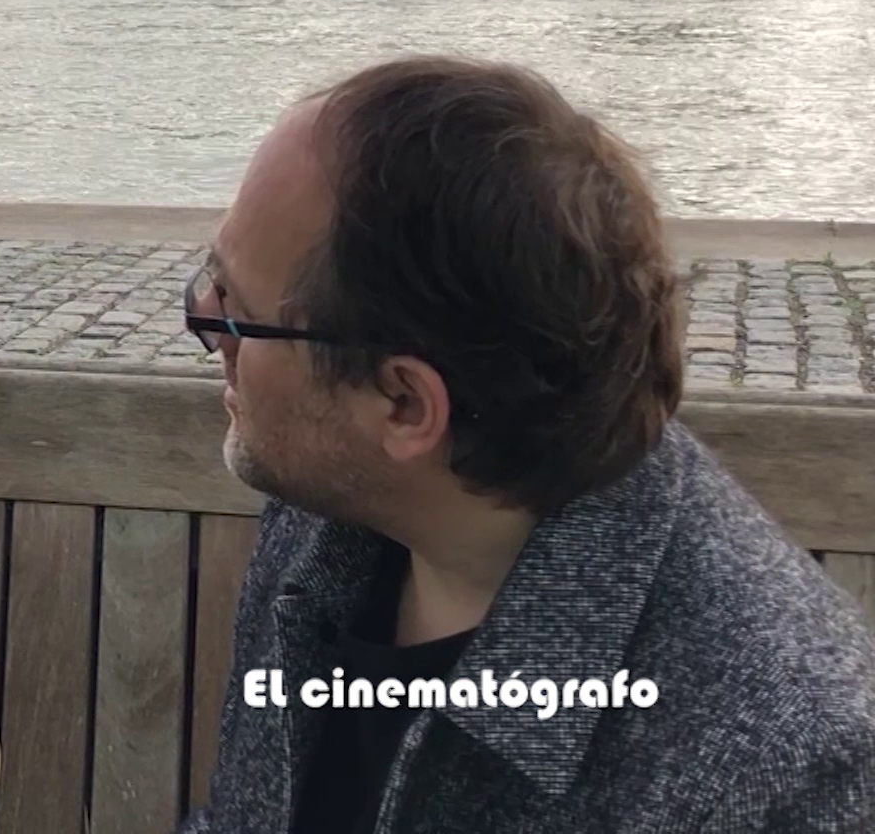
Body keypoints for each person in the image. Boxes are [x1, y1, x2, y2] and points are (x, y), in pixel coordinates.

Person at [180, 56, 875, 833]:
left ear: (405, 405)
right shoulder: (328, 515)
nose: (206, 323)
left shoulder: (782, 769)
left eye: (236, 311)